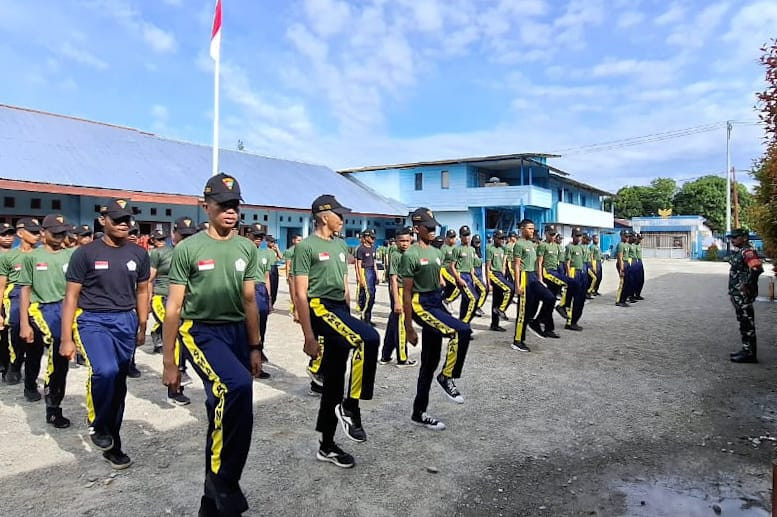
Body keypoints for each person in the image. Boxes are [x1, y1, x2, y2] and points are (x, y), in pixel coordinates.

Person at [162, 174, 262, 515]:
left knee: (228, 413)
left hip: (236, 332)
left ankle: (211, 500)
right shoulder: (188, 248)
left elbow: (250, 300)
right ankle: (225, 482)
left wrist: (254, 346)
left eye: (235, 205)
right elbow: (173, 307)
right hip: (200, 331)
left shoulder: (247, 248)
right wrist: (169, 362)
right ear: (206, 206)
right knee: (236, 387)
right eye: (223, 205)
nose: (230, 212)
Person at [60, 199, 151, 469]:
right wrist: (67, 338)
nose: (123, 224)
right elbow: (71, 297)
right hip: (94, 321)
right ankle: (97, 425)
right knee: (105, 371)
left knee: (119, 386)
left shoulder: (138, 254)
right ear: (103, 221)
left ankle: (114, 445)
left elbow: (143, 290)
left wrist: (142, 324)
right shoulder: (85, 254)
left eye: (127, 219)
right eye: (117, 219)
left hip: (126, 321)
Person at [293, 194, 380, 468]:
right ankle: (351, 406)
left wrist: (349, 313)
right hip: (319, 307)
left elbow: (343, 285)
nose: (343, 219)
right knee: (369, 338)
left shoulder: (342, 245)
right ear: (323, 216)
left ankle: (327, 444)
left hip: (339, 310)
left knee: (333, 380)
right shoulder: (306, 247)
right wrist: (308, 335)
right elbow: (299, 292)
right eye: (338, 215)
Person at [403, 208, 472, 431]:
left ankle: (418, 412)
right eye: (428, 227)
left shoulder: (436, 252)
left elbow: (441, 272)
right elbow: (406, 293)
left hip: (436, 300)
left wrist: (449, 281)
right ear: (416, 228)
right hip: (420, 304)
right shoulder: (410, 255)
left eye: (434, 227)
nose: (433, 230)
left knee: (429, 363)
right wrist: (408, 327)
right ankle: (447, 376)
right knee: (459, 330)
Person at [18, 214, 74, 427]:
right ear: (43, 233)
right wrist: (24, 322)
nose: (60, 237)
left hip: (66, 308)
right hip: (41, 309)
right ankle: (41, 395)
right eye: (55, 233)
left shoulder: (71, 255)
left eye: (63, 233)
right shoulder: (32, 257)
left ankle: (54, 404)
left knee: (63, 358)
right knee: (51, 348)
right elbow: (25, 289)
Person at [149, 222, 194, 406]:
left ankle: (180, 375)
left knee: (184, 338)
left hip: (184, 302)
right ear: (173, 234)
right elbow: (149, 280)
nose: (185, 239)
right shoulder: (159, 253)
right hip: (162, 298)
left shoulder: (193, 252)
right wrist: (144, 306)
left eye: (188, 235)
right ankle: (173, 389)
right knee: (174, 336)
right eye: (182, 235)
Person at [0, 218, 42, 392]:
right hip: (15, 295)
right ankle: (15, 363)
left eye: (39, 232)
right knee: (16, 327)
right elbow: (1, 285)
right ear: (20, 234)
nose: (37, 236)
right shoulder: (9, 256)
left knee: (36, 337)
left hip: (38, 295)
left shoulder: (42, 254)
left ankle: (30, 381)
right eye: (33, 232)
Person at [512, 219, 555, 351]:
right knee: (523, 311)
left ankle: (536, 321)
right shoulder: (519, 244)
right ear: (522, 229)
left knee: (550, 297)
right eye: (530, 228)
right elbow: (517, 266)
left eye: (533, 229)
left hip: (533, 277)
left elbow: (537, 264)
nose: (532, 231)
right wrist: (517, 286)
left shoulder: (531, 244)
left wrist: (540, 279)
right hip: (524, 277)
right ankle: (518, 340)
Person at [379, 227, 416, 367]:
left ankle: (385, 356)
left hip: (409, 291)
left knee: (393, 324)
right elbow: (393, 279)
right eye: (401, 241)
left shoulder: (412, 253)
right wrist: (396, 302)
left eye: (407, 240)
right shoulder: (396, 255)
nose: (404, 243)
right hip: (400, 292)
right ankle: (402, 358)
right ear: (396, 241)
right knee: (401, 325)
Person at [727, 228, 763, 363]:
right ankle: (746, 349)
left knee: (747, 323)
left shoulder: (748, 252)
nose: (733, 240)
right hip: (737, 294)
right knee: (743, 322)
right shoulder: (741, 251)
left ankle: (750, 354)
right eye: (732, 237)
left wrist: (748, 285)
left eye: (735, 237)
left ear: (744, 238)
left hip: (743, 295)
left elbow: (756, 268)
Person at [247, 224, 273, 379]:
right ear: (249, 235)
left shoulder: (265, 254)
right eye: (255, 236)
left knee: (261, 328)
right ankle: (246, 363)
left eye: (260, 237)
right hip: (248, 289)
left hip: (261, 290)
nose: (258, 239)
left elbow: (267, 277)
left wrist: (269, 299)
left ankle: (258, 365)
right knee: (247, 327)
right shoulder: (242, 251)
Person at [536, 225, 564, 339]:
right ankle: (549, 328)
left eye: (554, 234)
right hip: (546, 273)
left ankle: (540, 319)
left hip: (554, 271)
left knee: (550, 301)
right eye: (551, 234)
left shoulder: (556, 246)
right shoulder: (542, 245)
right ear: (545, 233)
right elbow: (539, 262)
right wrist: (540, 278)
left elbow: (558, 262)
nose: (553, 236)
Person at [449, 225, 478, 324]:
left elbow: (471, 265)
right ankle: (465, 324)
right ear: (460, 237)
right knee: (474, 299)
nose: (466, 237)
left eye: (468, 235)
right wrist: (458, 279)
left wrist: (473, 277)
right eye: (464, 235)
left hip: (469, 276)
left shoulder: (472, 249)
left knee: (465, 302)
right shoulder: (457, 249)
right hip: (462, 276)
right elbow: (452, 266)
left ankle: (462, 326)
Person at [0, 222, 17, 380]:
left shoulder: (17, 255)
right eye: (3, 234)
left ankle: (9, 367)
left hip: (12, 300)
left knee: (10, 335)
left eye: (10, 234)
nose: (7, 237)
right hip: (2, 298)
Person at [486, 230, 512, 332]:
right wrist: (488, 283)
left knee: (497, 299)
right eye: (500, 238)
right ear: (495, 238)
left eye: (503, 238)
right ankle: (501, 309)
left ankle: (494, 324)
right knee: (510, 289)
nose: (502, 240)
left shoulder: (503, 249)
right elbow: (487, 267)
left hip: (500, 275)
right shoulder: (490, 249)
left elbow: (504, 261)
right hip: (493, 274)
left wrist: (504, 270)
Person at [562, 227, 587, 331]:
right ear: (572, 236)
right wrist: (569, 276)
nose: (579, 238)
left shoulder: (581, 247)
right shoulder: (569, 247)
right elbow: (567, 262)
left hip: (581, 272)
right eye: (577, 235)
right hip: (573, 271)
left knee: (581, 298)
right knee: (573, 298)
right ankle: (570, 322)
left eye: (580, 235)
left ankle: (575, 320)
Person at [355, 229, 378, 326]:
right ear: (366, 237)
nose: (373, 239)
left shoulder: (373, 248)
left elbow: (374, 262)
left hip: (371, 271)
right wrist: (360, 278)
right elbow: (358, 264)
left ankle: (368, 318)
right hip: (365, 271)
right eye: (371, 237)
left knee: (372, 296)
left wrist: (376, 275)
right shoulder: (361, 249)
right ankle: (364, 317)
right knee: (368, 296)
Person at [284, 234, 302, 321]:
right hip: (293, 275)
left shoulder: (303, 250)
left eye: (301, 240)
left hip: (301, 274)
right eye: (298, 240)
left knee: (301, 294)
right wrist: (287, 276)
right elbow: (287, 265)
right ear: (293, 241)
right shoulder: (290, 251)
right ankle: (296, 311)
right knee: (293, 294)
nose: (300, 242)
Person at [470, 234, 488, 316]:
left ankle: (476, 308)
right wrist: (472, 274)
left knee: (479, 291)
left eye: (478, 242)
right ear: (472, 242)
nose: (477, 244)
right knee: (484, 289)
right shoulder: (471, 250)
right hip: (474, 272)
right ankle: (477, 307)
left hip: (480, 272)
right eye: (476, 242)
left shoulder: (479, 250)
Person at [439, 230, 459, 302]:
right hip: (445, 270)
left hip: (453, 270)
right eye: (451, 237)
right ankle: (447, 301)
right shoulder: (444, 248)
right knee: (457, 284)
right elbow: (440, 264)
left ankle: (445, 300)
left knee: (451, 287)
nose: (453, 239)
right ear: (447, 238)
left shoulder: (456, 247)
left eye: (454, 237)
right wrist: (440, 277)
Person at [615, 230, 632, 307]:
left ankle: (624, 299)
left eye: (628, 236)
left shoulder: (627, 245)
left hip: (626, 263)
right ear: (621, 236)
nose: (627, 237)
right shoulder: (620, 245)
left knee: (627, 283)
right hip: (622, 264)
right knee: (622, 283)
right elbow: (620, 258)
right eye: (626, 236)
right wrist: (621, 269)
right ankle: (619, 301)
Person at [265, 235, 282, 307]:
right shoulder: (265, 251)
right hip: (269, 268)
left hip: (275, 268)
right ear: (267, 242)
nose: (273, 243)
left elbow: (281, 258)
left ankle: (272, 303)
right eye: (271, 242)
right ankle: (269, 304)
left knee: (275, 287)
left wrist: (277, 249)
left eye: (274, 242)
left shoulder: (274, 251)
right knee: (269, 287)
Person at [630, 233, 645, 302]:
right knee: (634, 280)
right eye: (639, 239)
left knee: (641, 280)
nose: (640, 240)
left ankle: (637, 294)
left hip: (639, 262)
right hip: (634, 262)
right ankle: (631, 295)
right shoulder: (631, 245)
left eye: (641, 239)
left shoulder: (638, 245)